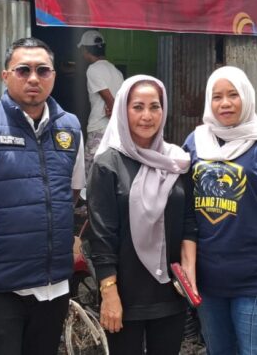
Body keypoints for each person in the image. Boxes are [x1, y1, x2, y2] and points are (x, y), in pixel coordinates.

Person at [0, 37, 85, 355]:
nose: (33, 78)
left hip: (54, 288)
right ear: (5, 75)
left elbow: (70, 195)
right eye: (23, 70)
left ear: (53, 76)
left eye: (43, 70)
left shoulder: (70, 128)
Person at [183, 66, 257, 354]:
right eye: (217, 97)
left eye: (233, 95)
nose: (225, 103)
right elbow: (185, 206)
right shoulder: (196, 142)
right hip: (208, 278)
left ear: (246, 96)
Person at [86, 75, 196, 355]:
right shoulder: (108, 164)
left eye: (154, 106)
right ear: (123, 110)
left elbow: (188, 223)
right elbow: (102, 235)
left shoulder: (176, 162)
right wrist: (109, 291)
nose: (147, 116)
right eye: (137, 107)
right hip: (125, 294)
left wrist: (189, 274)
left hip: (170, 292)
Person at [80, 30, 124, 173]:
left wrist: (113, 113)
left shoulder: (93, 69)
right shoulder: (115, 70)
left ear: (85, 50)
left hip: (99, 127)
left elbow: (108, 98)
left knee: (91, 171)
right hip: (114, 129)